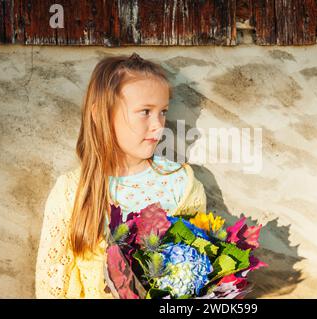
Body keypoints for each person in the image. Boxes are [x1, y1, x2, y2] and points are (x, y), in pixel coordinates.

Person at [35, 53, 207, 298]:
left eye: (163, 111)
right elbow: (52, 284)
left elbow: (198, 274)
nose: (159, 125)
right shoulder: (72, 191)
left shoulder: (180, 184)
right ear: (100, 113)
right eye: (145, 111)